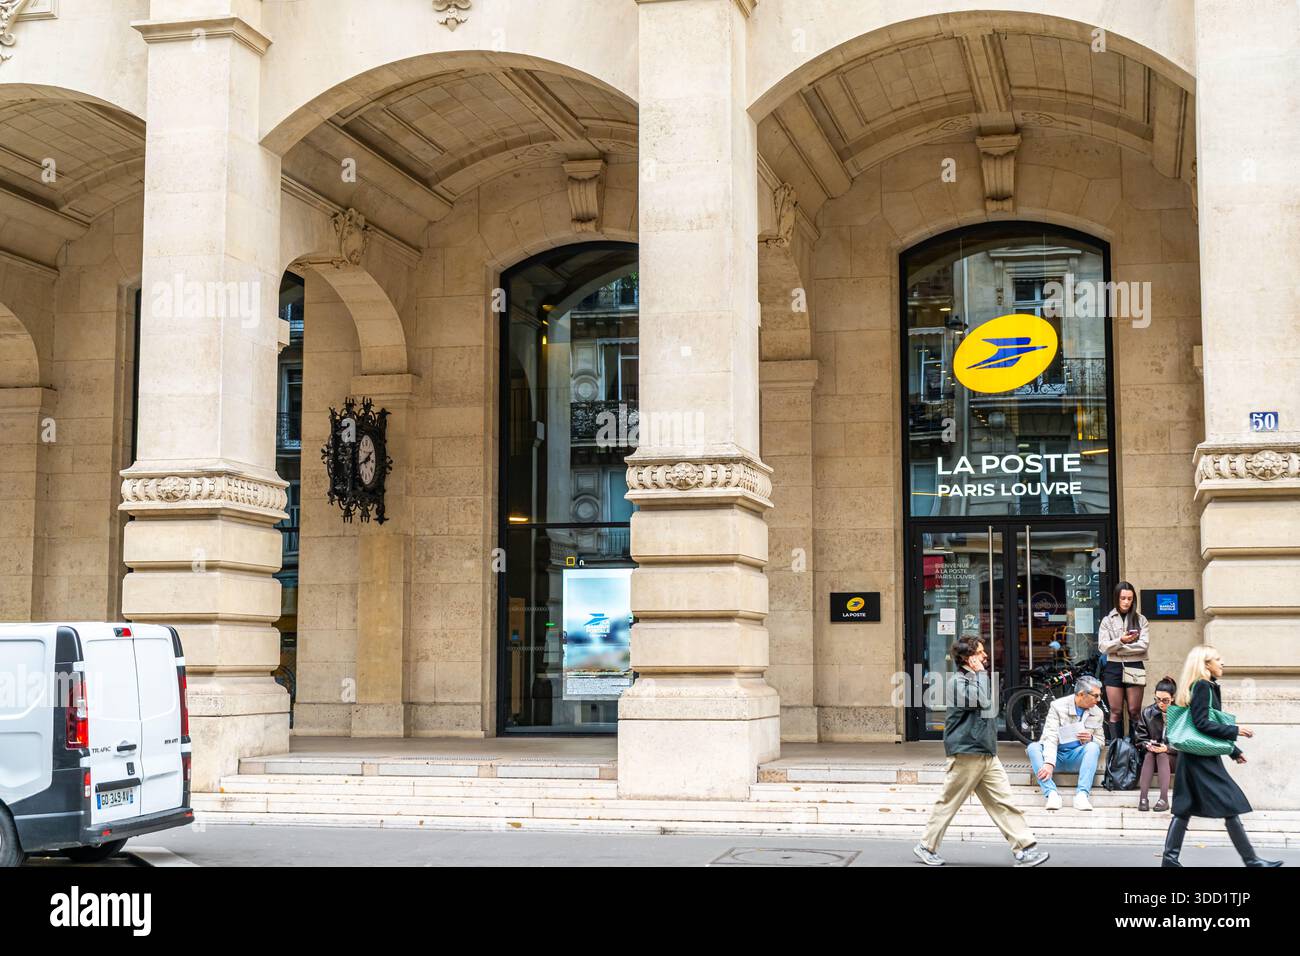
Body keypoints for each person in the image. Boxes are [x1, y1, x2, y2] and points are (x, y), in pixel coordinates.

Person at [913, 635, 1050, 867]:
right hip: (967, 752)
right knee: (949, 802)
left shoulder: (975, 679)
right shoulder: (958, 682)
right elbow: (982, 701)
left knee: (1004, 801)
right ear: (968, 658)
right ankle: (926, 846)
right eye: (980, 652)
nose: (985, 656)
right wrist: (982, 675)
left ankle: (1026, 848)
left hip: (985, 752)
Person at [1162, 645, 1282, 867]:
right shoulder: (1202, 687)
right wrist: (1235, 731)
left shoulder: (1204, 686)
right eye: (1218, 659)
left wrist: (1234, 751)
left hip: (1195, 757)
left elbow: (1207, 724)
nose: (1222, 663)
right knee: (1229, 804)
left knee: (1184, 809)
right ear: (1206, 665)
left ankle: (1170, 860)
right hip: (1201, 761)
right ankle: (1252, 861)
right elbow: (1201, 723)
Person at [1026, 674, 1106, 811]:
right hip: (1056, 756)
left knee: (1093, 747)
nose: (1098, 700)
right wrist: (1049, 763)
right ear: (1081, 694)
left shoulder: (1097, 712)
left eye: (1100, 695)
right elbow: (1050, 736)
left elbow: (1101, 741)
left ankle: (1082, 795)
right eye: (1095, 695)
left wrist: (1091, 738)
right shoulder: (1057, 706)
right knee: (1033, 748)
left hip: (1077, 758)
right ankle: (1051, 793)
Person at [1097, 580, 1148, 741]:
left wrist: (1118, 647)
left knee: (1134, 710)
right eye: (1123, 598)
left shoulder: (1141, 620)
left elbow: (1144, 646)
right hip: (1113, 667)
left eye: (1130, 598)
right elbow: (1103, 647)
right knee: (1115, 711)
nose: (1126, 602)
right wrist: (1122, 640)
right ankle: (1117, 750)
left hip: (1135, 666)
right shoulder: (1107, 620)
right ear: (1117, 598)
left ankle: (1136, 749)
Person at [1135, 676, 1178, 811]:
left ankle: (1164, 798)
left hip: (1174, 758)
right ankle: (1143, 798)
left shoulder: (1181, 714)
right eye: (1157, 699)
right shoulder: (1148, 712)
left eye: (1165, 700)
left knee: (1162, 755)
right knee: (1150, 754)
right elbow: (1139, 739)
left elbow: (1186, 743)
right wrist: (1148, 745)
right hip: (1152, 758)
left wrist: (1167, 748)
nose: (1160, 703)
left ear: (1173, 698)